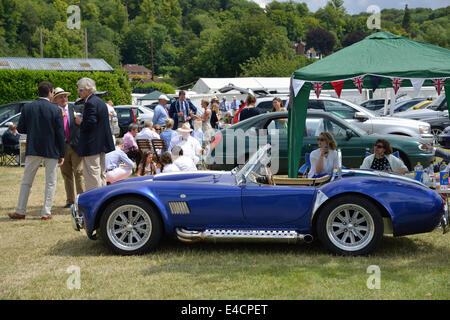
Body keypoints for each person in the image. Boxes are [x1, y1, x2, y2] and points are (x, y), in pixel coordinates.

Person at [9, 81, 65, 220]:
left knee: (26, 182)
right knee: (50, 182)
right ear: (51, 92)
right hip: (51, 149)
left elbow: (21, 129)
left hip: (33, 148)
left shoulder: (28, 107)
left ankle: (20, 211)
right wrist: (62, 153)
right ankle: (46, 213)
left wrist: (33, 130)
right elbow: (60, 134)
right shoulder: (56, 109)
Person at [75, 77, 115, 191]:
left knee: (92, 174)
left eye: (81, 90)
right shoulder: (100, 102)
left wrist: (80, 122)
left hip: (92, 145)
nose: (79, 92)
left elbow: (90, 123)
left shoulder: (90, 103)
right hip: (101, 144)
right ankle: (102, 199)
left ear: (88, 90)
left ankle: (95, 201)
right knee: (101, 173)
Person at [52, 87, 85, 208]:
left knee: (79, 173)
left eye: (65, 96)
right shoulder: (53, 112)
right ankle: (70, 200)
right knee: (66, 174)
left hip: (76, 146)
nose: (64, 98)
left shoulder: (76, 108)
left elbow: (84, 125)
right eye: (60, 97)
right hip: (62, 147)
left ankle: (82, 200)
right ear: (55, 100)